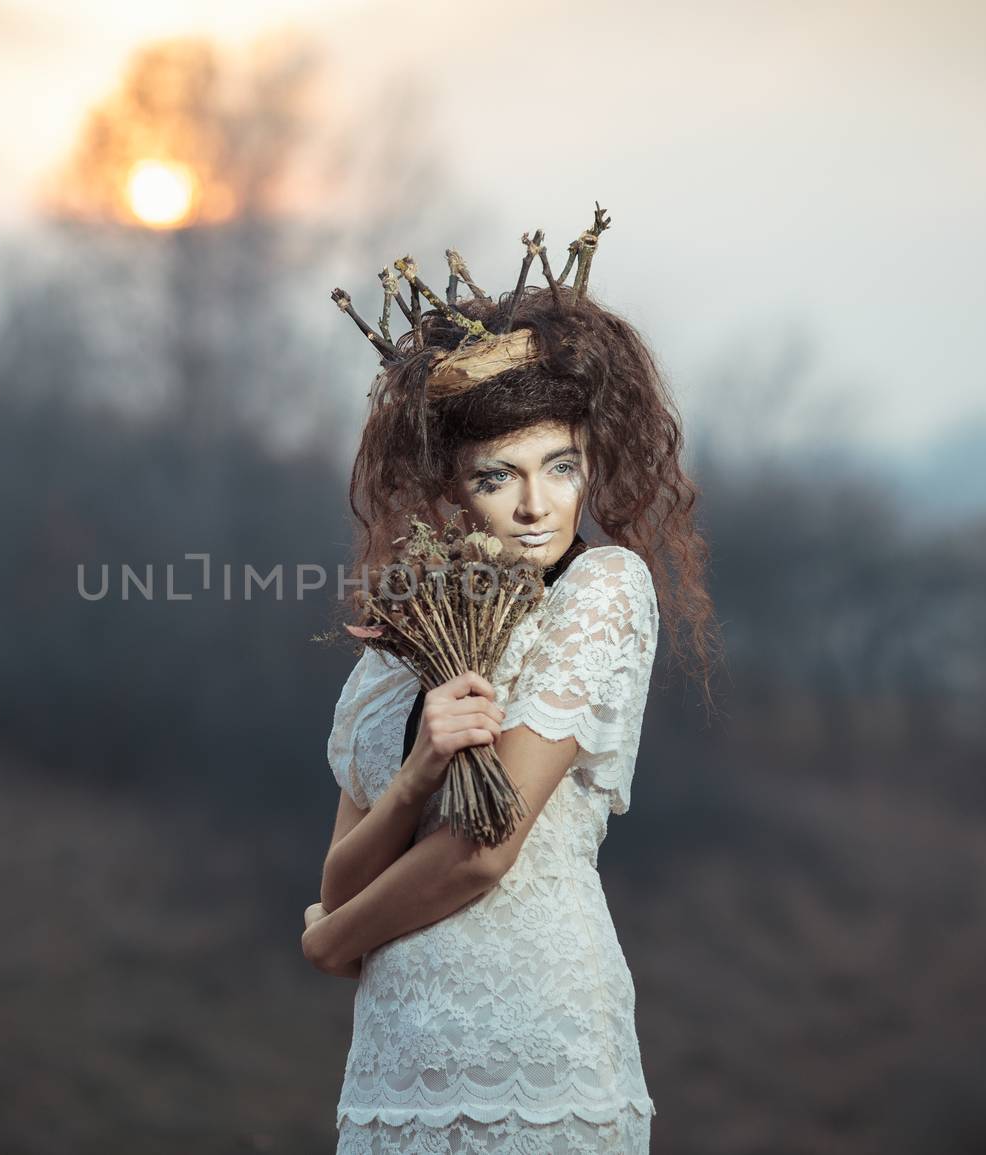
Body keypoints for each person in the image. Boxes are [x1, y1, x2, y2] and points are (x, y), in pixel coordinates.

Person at [302, 221, 719, 1154]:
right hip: (393, 1068)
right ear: (452, 493)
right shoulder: (395, 651)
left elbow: (483, 853)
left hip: (533, 1052)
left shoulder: (602, 588)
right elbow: (338, 872)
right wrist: (415, 773)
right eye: (501, 476)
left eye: (560, 468)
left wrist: (330, 944)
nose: (538, 505)